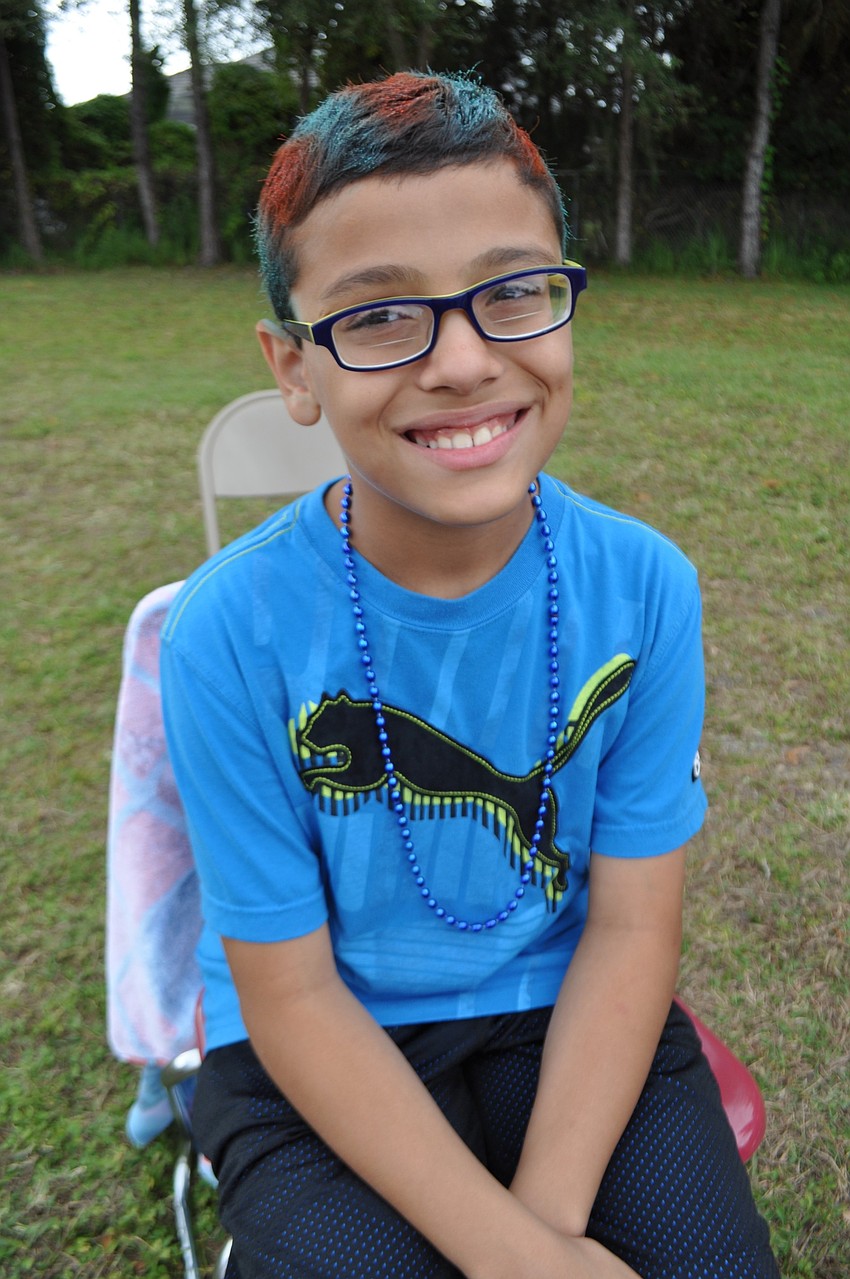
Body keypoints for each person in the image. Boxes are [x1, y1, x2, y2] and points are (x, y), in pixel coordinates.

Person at [160, 70, 779, 1279]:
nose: (458, 361)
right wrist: (518, 1260)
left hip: (570, 1015)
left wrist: (535, 1231)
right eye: (380, 315)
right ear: (293, 367)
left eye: (514, 292)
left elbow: (634, 920)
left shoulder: (646, 587)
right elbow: (286, 995)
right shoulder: (225, 631)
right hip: (309, 1054)